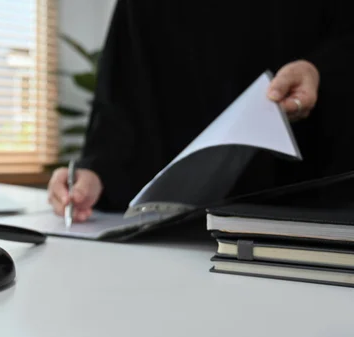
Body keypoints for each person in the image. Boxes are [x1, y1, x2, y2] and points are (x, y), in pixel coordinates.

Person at [48, 0, 354, 222]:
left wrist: (319, 72)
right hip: (171, 239)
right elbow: (121, 108)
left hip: (307, 225)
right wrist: (96, 174)